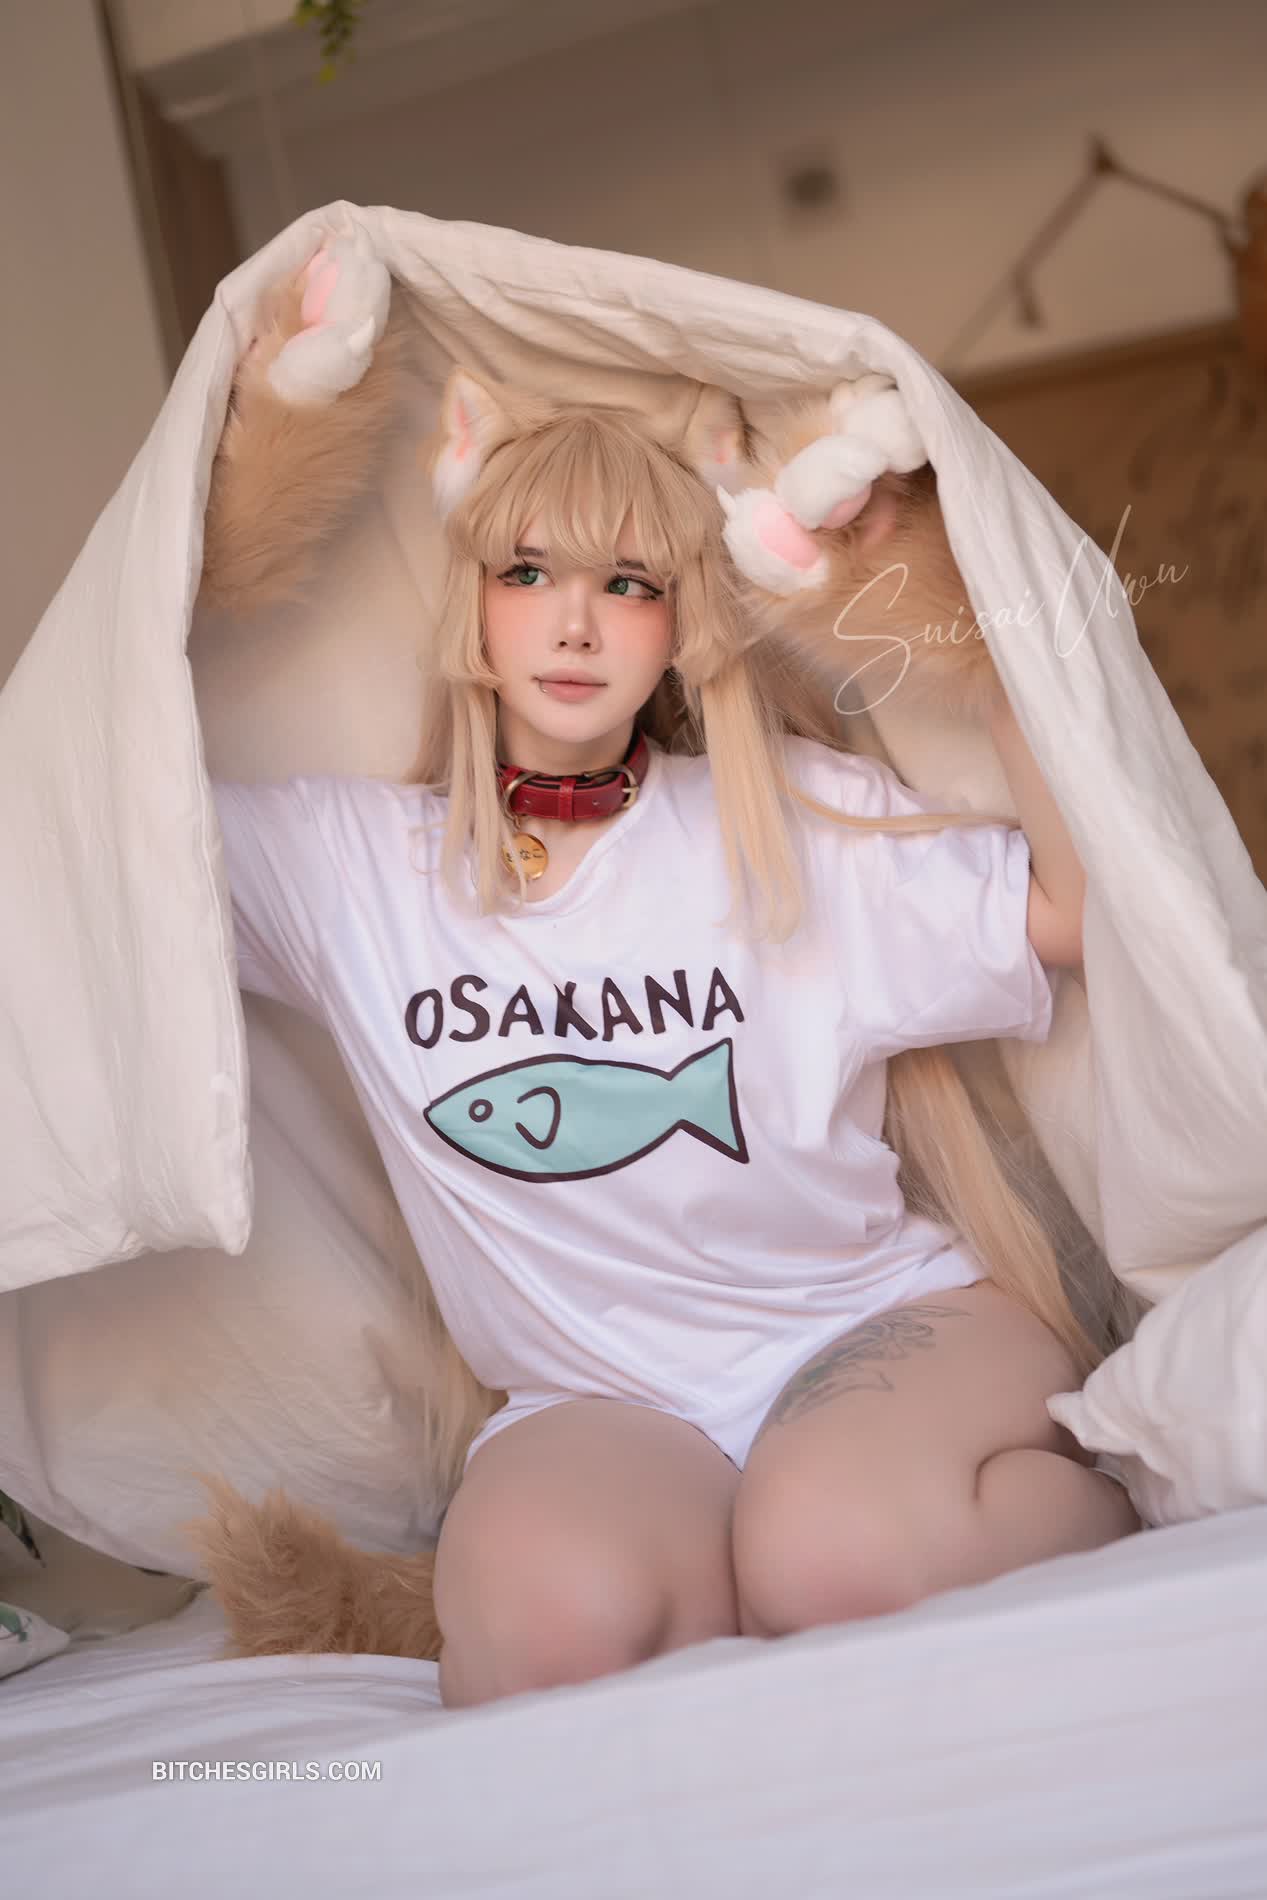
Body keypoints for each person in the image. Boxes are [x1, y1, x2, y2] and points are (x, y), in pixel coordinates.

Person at [197, 247, 1137, 1706]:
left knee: (833, 1561)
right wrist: (246, 504)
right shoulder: (345, 868)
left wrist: (966, 624)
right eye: (528, 572)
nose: (574, 622)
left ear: (680, 622)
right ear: (473, 603)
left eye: (626, 584)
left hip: (878, 1327)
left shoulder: (796, 823)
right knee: (544, 1643)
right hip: (599, 1401)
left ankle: (1121, 1508)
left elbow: (1074, 914)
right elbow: (85, 812)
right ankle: (737, 1566)